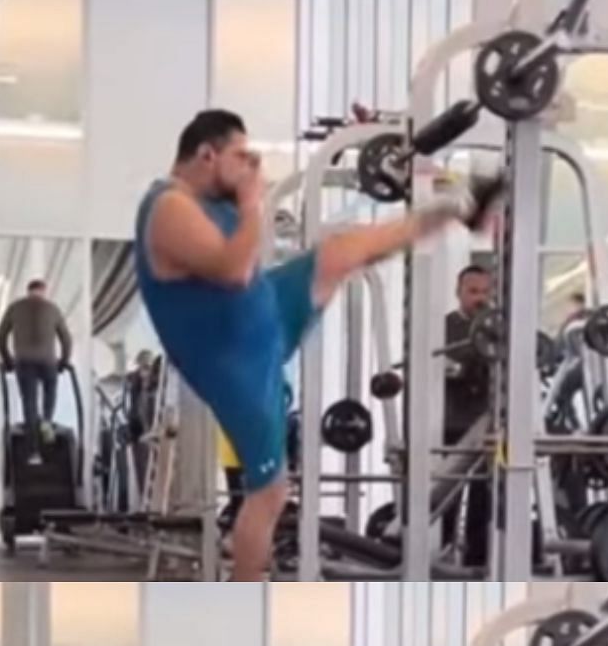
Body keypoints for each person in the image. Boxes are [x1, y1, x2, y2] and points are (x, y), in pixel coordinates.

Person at [136, 109, 504, 581]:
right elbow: (231, 270)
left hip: (263, 314)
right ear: (207, 155)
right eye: (241, 157)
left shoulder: (209, 197)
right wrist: (252, 203)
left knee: (342, 250)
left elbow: (246, 266)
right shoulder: (169, 207)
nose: (251, 167)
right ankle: (244, 603)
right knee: (269, 493)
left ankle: (460, 205)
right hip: (236, 362)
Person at [440, 265, 498, 567]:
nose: (480, 298)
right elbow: (445, 368)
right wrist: (463, 368)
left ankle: (478, 561)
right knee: (447, 495)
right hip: (452, 425)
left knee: (484, 495)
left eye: (485, 292)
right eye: (473, 291)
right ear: (459, 292)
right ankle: (443, 554)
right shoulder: (445, 328)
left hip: (489, 426)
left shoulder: (497, 328)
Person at [0, 279, 75, 463]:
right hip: (48, 361)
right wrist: (63, 362)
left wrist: (8, 361)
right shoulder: (52, 308)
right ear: (43, 291)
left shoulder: (15, 308)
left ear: (28, 291)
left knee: (29, 404)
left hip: (23, 361)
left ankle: (33, 453)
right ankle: (47, 420)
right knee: (50, 392)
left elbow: (0, 336)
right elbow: (66, 339)